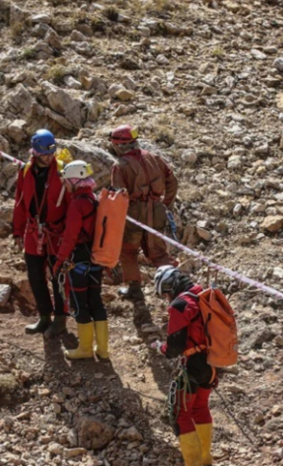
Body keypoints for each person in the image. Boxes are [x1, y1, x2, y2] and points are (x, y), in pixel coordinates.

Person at [153, 265, 216, 466]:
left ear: (170, 287)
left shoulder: (180, 305)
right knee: (199, 407)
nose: (166, 299)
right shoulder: (202, 293)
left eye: (165, 294)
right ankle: (205, 459)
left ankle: (194, 463)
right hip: (212, 363)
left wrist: (159, 348)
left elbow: (174, 347)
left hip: (192, 365)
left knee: (181, 415)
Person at [109, 125, 178, 300]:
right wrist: (166, 204)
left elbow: (119, 195)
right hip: (156, 211)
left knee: (128, 251)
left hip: (134, 214)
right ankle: (175, 291)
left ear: (119, 146)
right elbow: (172, 180)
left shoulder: (120, 166)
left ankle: (134, 289)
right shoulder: (154, 158)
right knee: (159, 253)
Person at [13, 129, 69, 337]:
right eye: (45, 153)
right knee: (35, 275)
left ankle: (61, 319)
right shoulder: (25, 171)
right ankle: (44, 316)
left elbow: (71, 205)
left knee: (58, 276)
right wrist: (17, 231)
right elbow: (19, 202)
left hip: (57, 233)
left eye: (51, 152)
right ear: (35, 152)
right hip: (33, 231)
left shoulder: (63, 171)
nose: (49, 157)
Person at [53, 161, 109, 360]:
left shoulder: (77, 204)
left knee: (79, 304)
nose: (65, 184)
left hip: (78, 261)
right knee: (96, 302)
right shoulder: (94, 199)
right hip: (96, 260)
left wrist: (59, 261)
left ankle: (85, 349)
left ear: (75, 181)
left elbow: (70, 237)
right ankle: (102, 350)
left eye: (67, 181)